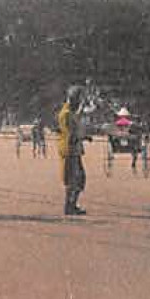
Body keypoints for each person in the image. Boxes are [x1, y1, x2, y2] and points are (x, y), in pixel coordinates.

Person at [57, 85, 87, 216]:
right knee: (73, 179)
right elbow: (72, 131)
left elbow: (76, 119)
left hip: (73, 148)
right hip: (71, 149)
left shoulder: (67, 112)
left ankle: (71, 205)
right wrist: (82, 136)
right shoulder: (67, 114)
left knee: (77, 178)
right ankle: (69, 206)